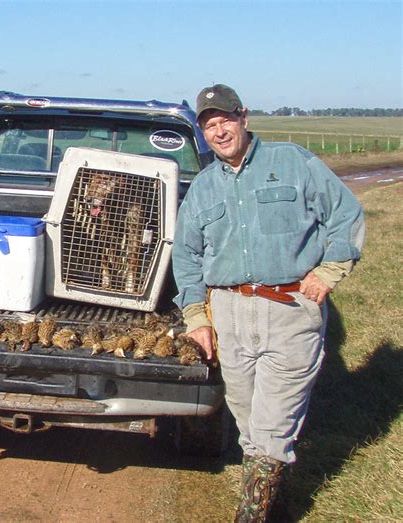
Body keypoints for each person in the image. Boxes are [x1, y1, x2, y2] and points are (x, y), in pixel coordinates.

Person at [172, 84, 364, 522]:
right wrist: (197, 315)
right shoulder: (202, 188)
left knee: (273, 426)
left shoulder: (292, 162)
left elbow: (345, 215)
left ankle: (251, 515)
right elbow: (186, 256)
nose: (219, 132)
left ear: (243, 117)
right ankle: (270, 495)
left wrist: (329, 271)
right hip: (230, 314)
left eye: (225, 120)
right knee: (250, 425)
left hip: (290, 311)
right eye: (209, 126)